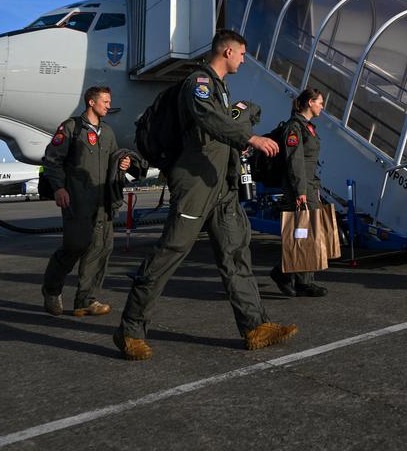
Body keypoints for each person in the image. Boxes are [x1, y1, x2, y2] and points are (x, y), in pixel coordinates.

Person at [113, 29, 296, 360]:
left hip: (221, 186)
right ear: (226, 52)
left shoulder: (221, 90)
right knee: (171, 251)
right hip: (195, 185)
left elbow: (226, 121)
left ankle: (255, 326)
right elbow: (211, 120)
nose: (243, 59)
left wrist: (245, 113)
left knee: (236, 253)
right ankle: (130, 328)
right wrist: (250, 138)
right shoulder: (199, 83)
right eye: (241, 53)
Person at [41, 86, 135, 317]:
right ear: (91, 103)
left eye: (109, 101)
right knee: (75, 246)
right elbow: (52, 160)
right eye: (104, 101)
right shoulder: (71, 128)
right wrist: (59, 188)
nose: (108, 105)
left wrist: (123, 163)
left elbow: (114, 159)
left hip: (103, 201)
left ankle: (86, 300)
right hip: (76, 199)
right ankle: (51, 290)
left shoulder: (109, 132)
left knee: (100, 249)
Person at [270, 88, 328, 298]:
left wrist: (315, 188)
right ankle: (292, 276)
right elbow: (295, 161)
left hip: (309, 186)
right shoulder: (294, 128)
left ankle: (292, 275)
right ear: (310, 103)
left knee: (305, 234)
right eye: (320, 102)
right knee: (304, 233)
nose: (322, 106)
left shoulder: (308, 127)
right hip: (300, 188)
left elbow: (309, 162)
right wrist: (300, 191)